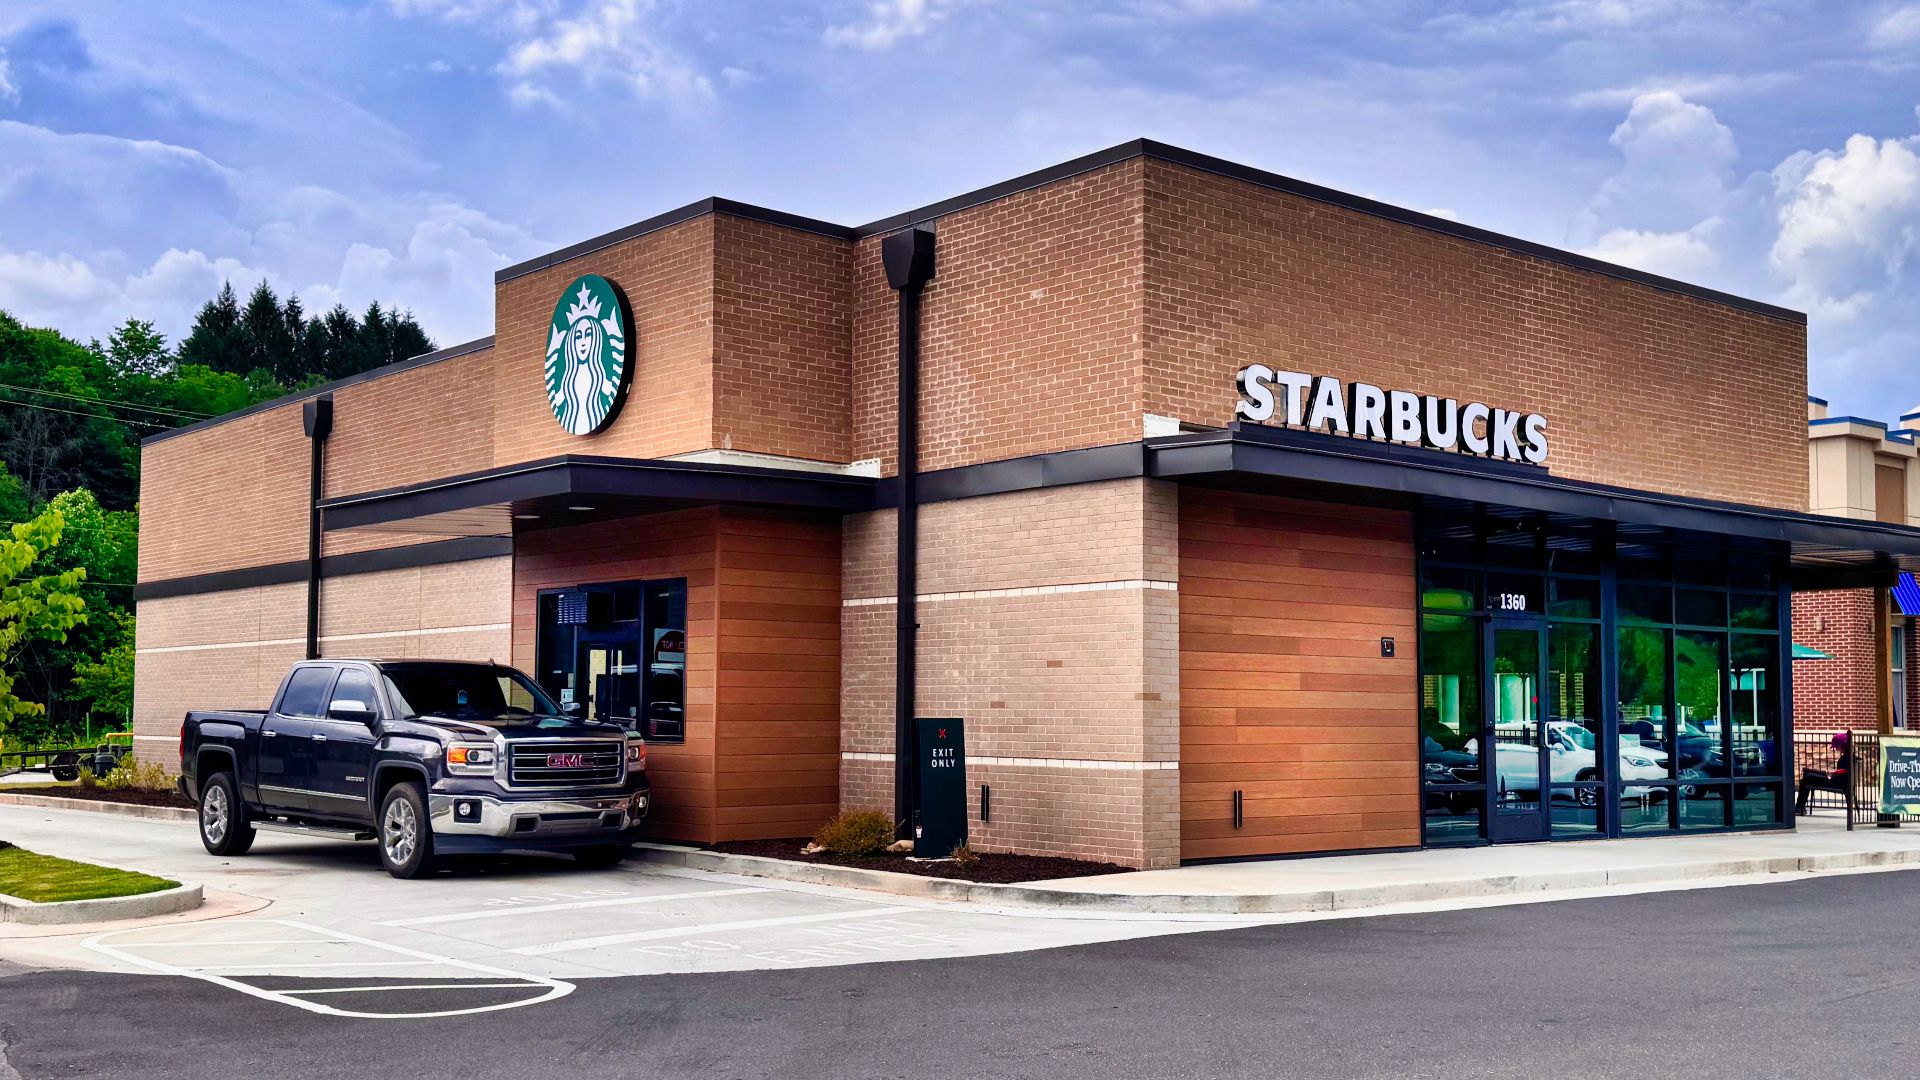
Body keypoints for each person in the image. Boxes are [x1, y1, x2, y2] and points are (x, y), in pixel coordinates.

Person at [1796, 730, 1855, 815]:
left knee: (1805, 780)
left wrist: (1833, 773)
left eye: (1837, 747)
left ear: (1842, 746)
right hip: (1839, 781)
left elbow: (1845, 770)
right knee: (1809, 775)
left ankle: (1799, 808)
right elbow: (1845, 770)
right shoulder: (1850, 756)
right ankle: (1800, 808)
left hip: (1837, 783)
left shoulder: (1846, 758)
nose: (1836, 749)